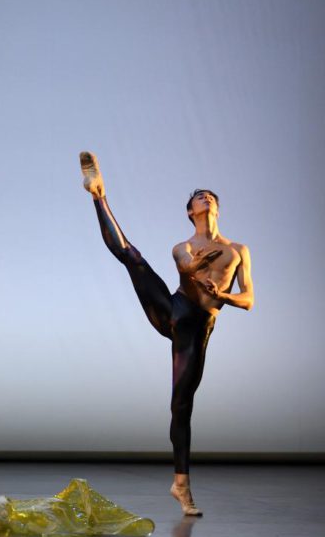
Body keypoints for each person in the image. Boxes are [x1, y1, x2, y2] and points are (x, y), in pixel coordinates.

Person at [80, 152, 254, 515]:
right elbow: (185, 267)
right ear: (191, 211)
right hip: (172, 310)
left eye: (210, 196)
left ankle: (181, 486)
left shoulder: (238, 250)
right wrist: (195, 267)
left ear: (216, 208)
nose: (205, 198)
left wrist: (223, 296)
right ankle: (98, 194)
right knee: (133, 257)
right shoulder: (183, 246)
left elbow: (249, 298)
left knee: (180, 406)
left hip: (198, 327)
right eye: (198, 197)